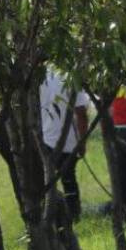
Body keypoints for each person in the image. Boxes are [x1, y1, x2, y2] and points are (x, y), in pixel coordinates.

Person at [39, 70, 89, 218]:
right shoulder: (71, 75)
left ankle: (49, 214)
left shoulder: (40, 76)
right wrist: (82, 142)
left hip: (45, 138)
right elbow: (82, 113)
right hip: (68, 141)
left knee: (46, 181)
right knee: (68, 180)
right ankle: (73, 214)